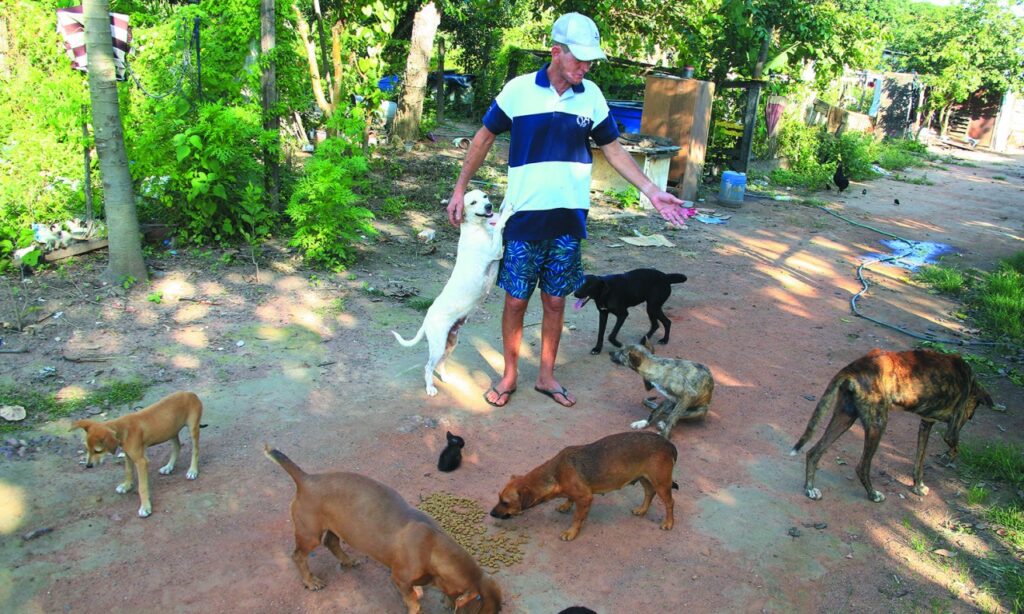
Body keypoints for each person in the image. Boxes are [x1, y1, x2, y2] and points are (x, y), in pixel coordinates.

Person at [446, 12, 691, 408]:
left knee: (556, 301)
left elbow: (612, 148)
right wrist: (459, 189)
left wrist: (651, 189)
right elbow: (483, 137)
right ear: (555, 51)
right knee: (515, 301)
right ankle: (509, 376)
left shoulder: (591, 95)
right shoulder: (519, 91)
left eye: (590, 59)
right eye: (578, 58)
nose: (586, 66)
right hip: (524, 219)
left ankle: (545, 375)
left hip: (568, 223)